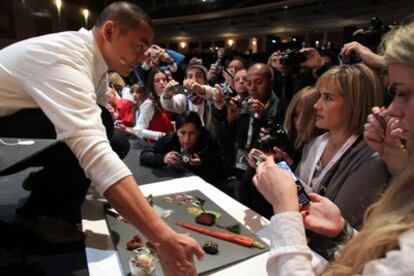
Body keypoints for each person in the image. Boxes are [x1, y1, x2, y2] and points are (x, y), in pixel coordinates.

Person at [0, 2, 203, 275]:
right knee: (97, 129)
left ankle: (48, 183)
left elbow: (100, 133)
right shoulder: (67, 58)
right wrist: (162, 237)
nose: (143, 57)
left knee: (115, 137)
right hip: (7, 136)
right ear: (110, 31)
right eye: (139, 46)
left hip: (15, 123)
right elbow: (92, 149)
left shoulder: (95, 62)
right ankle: (39, 215)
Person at [251, 19, 414, 275]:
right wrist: (283, 177)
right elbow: (309, 202)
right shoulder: (317, 143)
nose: (316, 106)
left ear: (354, 103)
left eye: (327, 98)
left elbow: (312, 216)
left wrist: (285, 202)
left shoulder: (371, 159)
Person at [140, 111, 224, 186]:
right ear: (176, 130)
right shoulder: (170, 139)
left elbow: (220, 170)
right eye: (182, 133)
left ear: (198, 132)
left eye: (192, 133)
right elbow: (145, 155)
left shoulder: (208, 143)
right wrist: (163, 159)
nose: (187, 139)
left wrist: (201, 164)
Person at [118, 69, 174, 143]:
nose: (162, 83)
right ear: (152, 84)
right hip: (159, 146)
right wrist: (160, 135)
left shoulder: (165, 99)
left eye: (164, 79)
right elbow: (138, 130)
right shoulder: (149, 103)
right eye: (157, 81)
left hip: (171, 142)